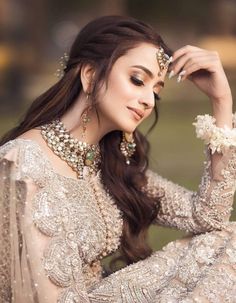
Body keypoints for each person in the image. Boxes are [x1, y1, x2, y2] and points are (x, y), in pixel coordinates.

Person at [0, 15, 235, 303]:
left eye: (156, 92)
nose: (148, 100)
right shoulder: (23, 163)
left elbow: (208, 216)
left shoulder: (110, 162)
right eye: (138, 80)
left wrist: (222, 101)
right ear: (89, 75)